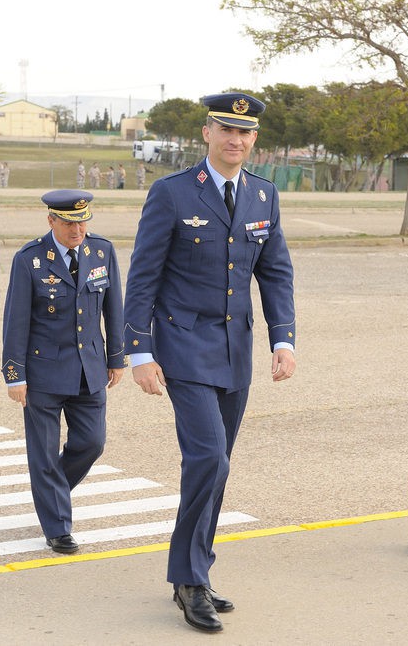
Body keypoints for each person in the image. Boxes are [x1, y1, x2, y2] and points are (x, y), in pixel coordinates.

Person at [123, 92, 297, 633]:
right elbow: (144, 275)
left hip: (234, 353)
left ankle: (194, 570)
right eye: (225, 129)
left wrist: (282, 339)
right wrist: (139, 351)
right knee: (209, 460)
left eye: (245, 133)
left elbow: (275, 272)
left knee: (216, 470)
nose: (235, 140)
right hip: (182, 349)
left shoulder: (263, 197)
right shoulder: (172, 193)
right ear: (206, 133)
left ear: (254, 140)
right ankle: (190, 580)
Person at [1, 189, 125, 555]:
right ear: (51, 221)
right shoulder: (30, 259)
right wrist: (15, 375)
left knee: (92, 442)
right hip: (43, 372)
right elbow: (16, 319)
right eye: (70, 222)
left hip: (90, 368)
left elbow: (113, 307)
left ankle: (50, 492)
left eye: (83, 221)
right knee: (43, 451)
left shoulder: (101, 251)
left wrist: (116, 357)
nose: (78, 229)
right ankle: (57, 526)